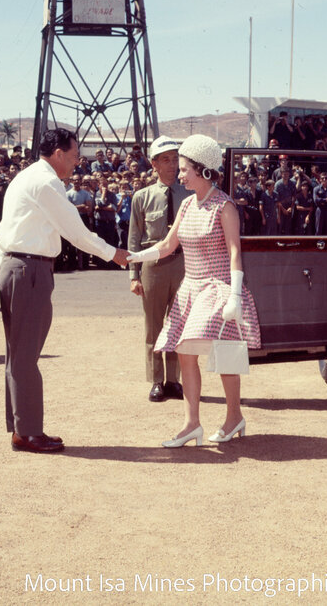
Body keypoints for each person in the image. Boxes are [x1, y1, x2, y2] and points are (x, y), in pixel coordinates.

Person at [0, 128, 128, 454]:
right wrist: (113, 253)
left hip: (16, 267)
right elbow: (75, 231)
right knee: (25, 357)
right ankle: (28, 433)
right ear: (58, 154)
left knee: (18, 355)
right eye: (75, 154)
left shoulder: (25, 178)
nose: (78, 161)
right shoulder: (47, 182)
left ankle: (21, 427)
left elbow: (4, 229)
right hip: (29, 270)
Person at [127, 134, 261, 448]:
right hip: (192, 289)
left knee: (222, 354)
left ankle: (232, 417)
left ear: (203, 170)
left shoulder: (224, 206)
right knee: (186, 354)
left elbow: (234, 253)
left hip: (218, 289)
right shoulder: (187, 204)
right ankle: (194, 424)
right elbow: (167, 245)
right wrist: (135, 257)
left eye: (185, 168)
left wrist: (236, 296)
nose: (180, 173)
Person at [127, 135, 190, 402]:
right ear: (154, 164)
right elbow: (134, 239)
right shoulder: (142, 197)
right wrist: (134, 275)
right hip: (153, 267)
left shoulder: (189, 194)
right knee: (154, 328)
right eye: (166, 160)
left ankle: (174, 380)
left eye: (176, 159)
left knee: (179, 325)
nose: (172, 165)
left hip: (183, 266)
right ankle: (156, 380)